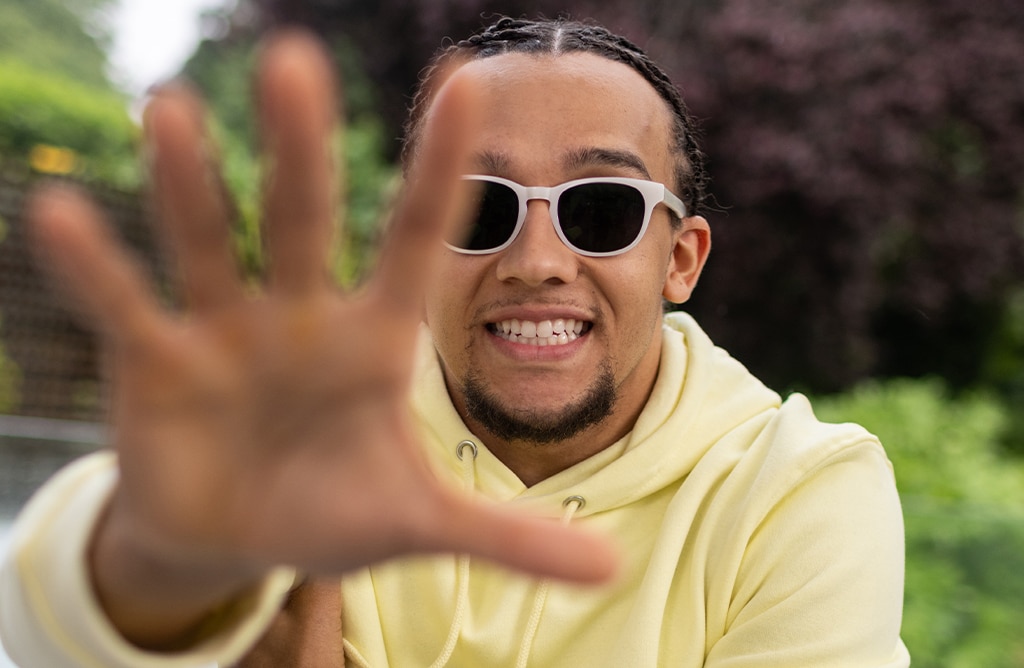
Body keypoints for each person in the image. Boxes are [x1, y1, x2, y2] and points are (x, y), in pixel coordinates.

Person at [0, 16, 910, 667]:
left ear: (681, 260)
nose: (537, 260)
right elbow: (48, 614)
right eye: (480, 206)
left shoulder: (796, 490)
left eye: (601, 209)